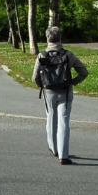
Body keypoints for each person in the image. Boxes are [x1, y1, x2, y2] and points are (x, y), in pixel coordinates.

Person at [32, 25, 88, 164]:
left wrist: (43, 86)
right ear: (60, 39)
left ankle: (53, 148)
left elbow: (34, 78)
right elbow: (84, 72)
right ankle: (64, 155)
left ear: (47, 38)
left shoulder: (41, 56)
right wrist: (73, 82)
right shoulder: (68, 55)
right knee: (64, 122)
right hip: (65, 92)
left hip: (48, 92)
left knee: (51, 118)